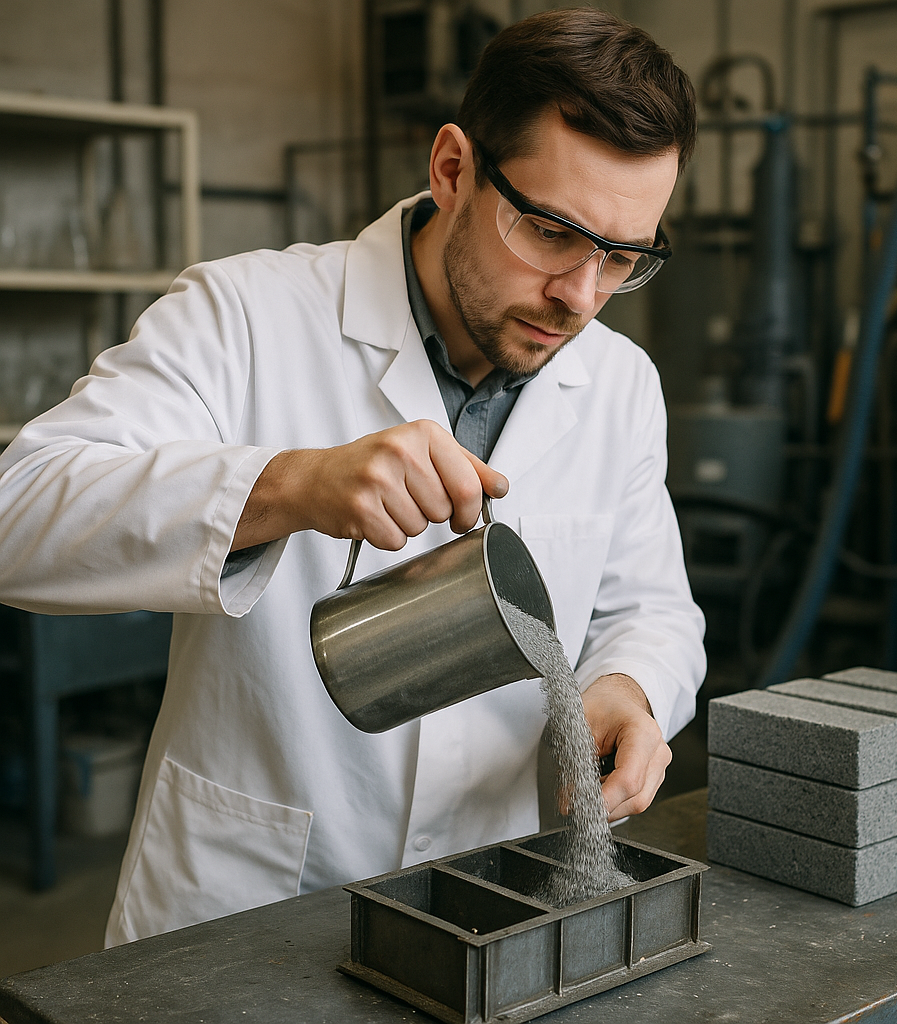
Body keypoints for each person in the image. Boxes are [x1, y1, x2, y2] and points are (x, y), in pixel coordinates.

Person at [0, 7, 705, 944]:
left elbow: (651, 606)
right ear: (452, 169)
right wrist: (286, 486)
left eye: (622, 258)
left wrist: (629, 687)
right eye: (548, 232)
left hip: (486, 902)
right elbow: (18, 515)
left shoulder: (619, 384)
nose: (578, 296)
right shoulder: (246, 313)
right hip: (246, 903)